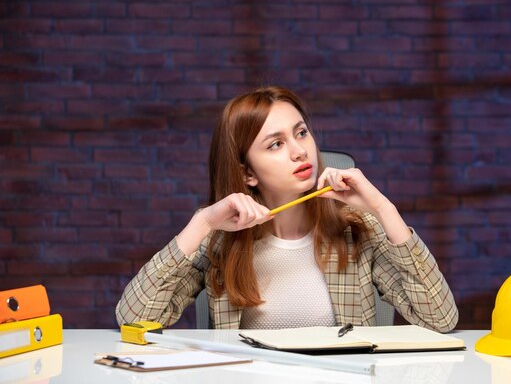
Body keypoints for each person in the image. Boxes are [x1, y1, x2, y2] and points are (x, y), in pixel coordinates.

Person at [115, 86, 458, 332]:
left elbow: (440, 318)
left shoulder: (357, 228)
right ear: (247, 173)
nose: (299, 151)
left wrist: (384, 209)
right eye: (276, 144)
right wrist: (202, 222)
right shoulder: (220, 239)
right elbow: (134, 317)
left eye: (301, 133)